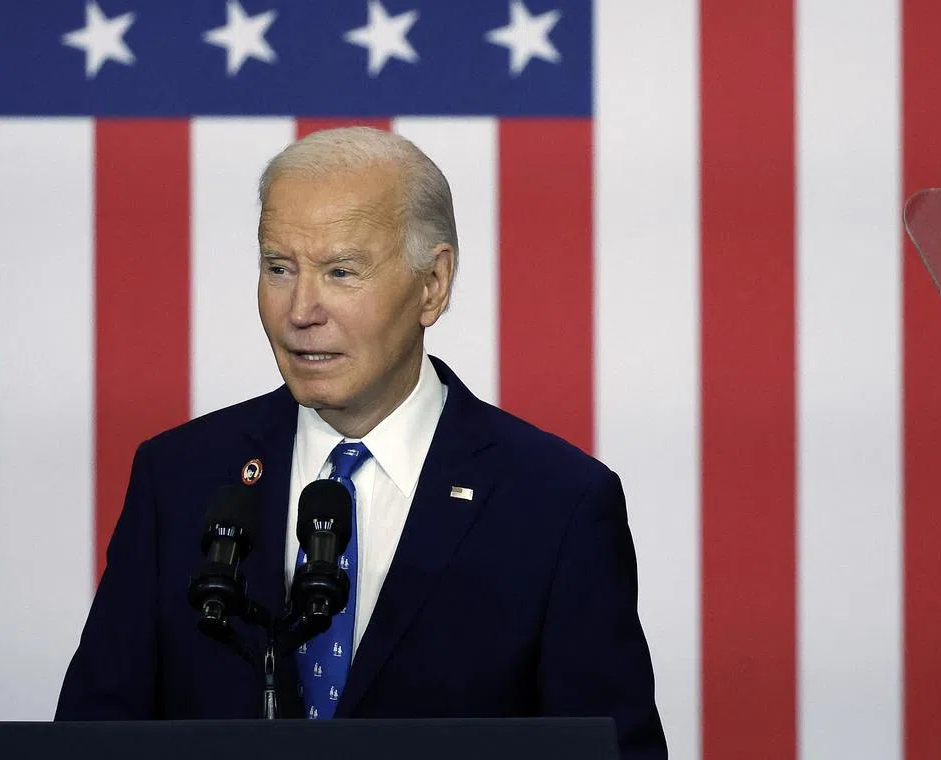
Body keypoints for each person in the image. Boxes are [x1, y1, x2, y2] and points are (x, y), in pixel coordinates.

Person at [55, 127, 668, 759]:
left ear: (432, 284)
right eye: (279, 268)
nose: (301, 311)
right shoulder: (181, 478)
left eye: (341, 272)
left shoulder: (556, 505)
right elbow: (91, 739)